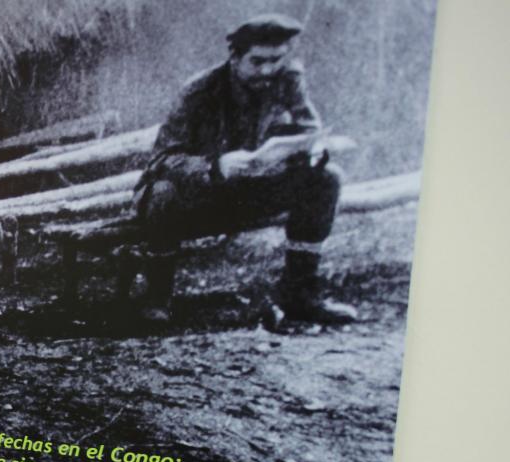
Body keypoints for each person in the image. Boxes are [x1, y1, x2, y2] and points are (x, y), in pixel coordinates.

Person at [134, 13, 356, 327]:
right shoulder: (200, 91)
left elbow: (310, 130)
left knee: (327, 178)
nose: (267, 70)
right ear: (235, 57)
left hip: (251, 192)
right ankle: (156, 298)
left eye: (276, 60)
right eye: (257, 61)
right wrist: (215, 166)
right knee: (162, 192)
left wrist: (310, 151)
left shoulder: (288, 79)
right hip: (202, 197)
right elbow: (162, 160)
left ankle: (300, 294)